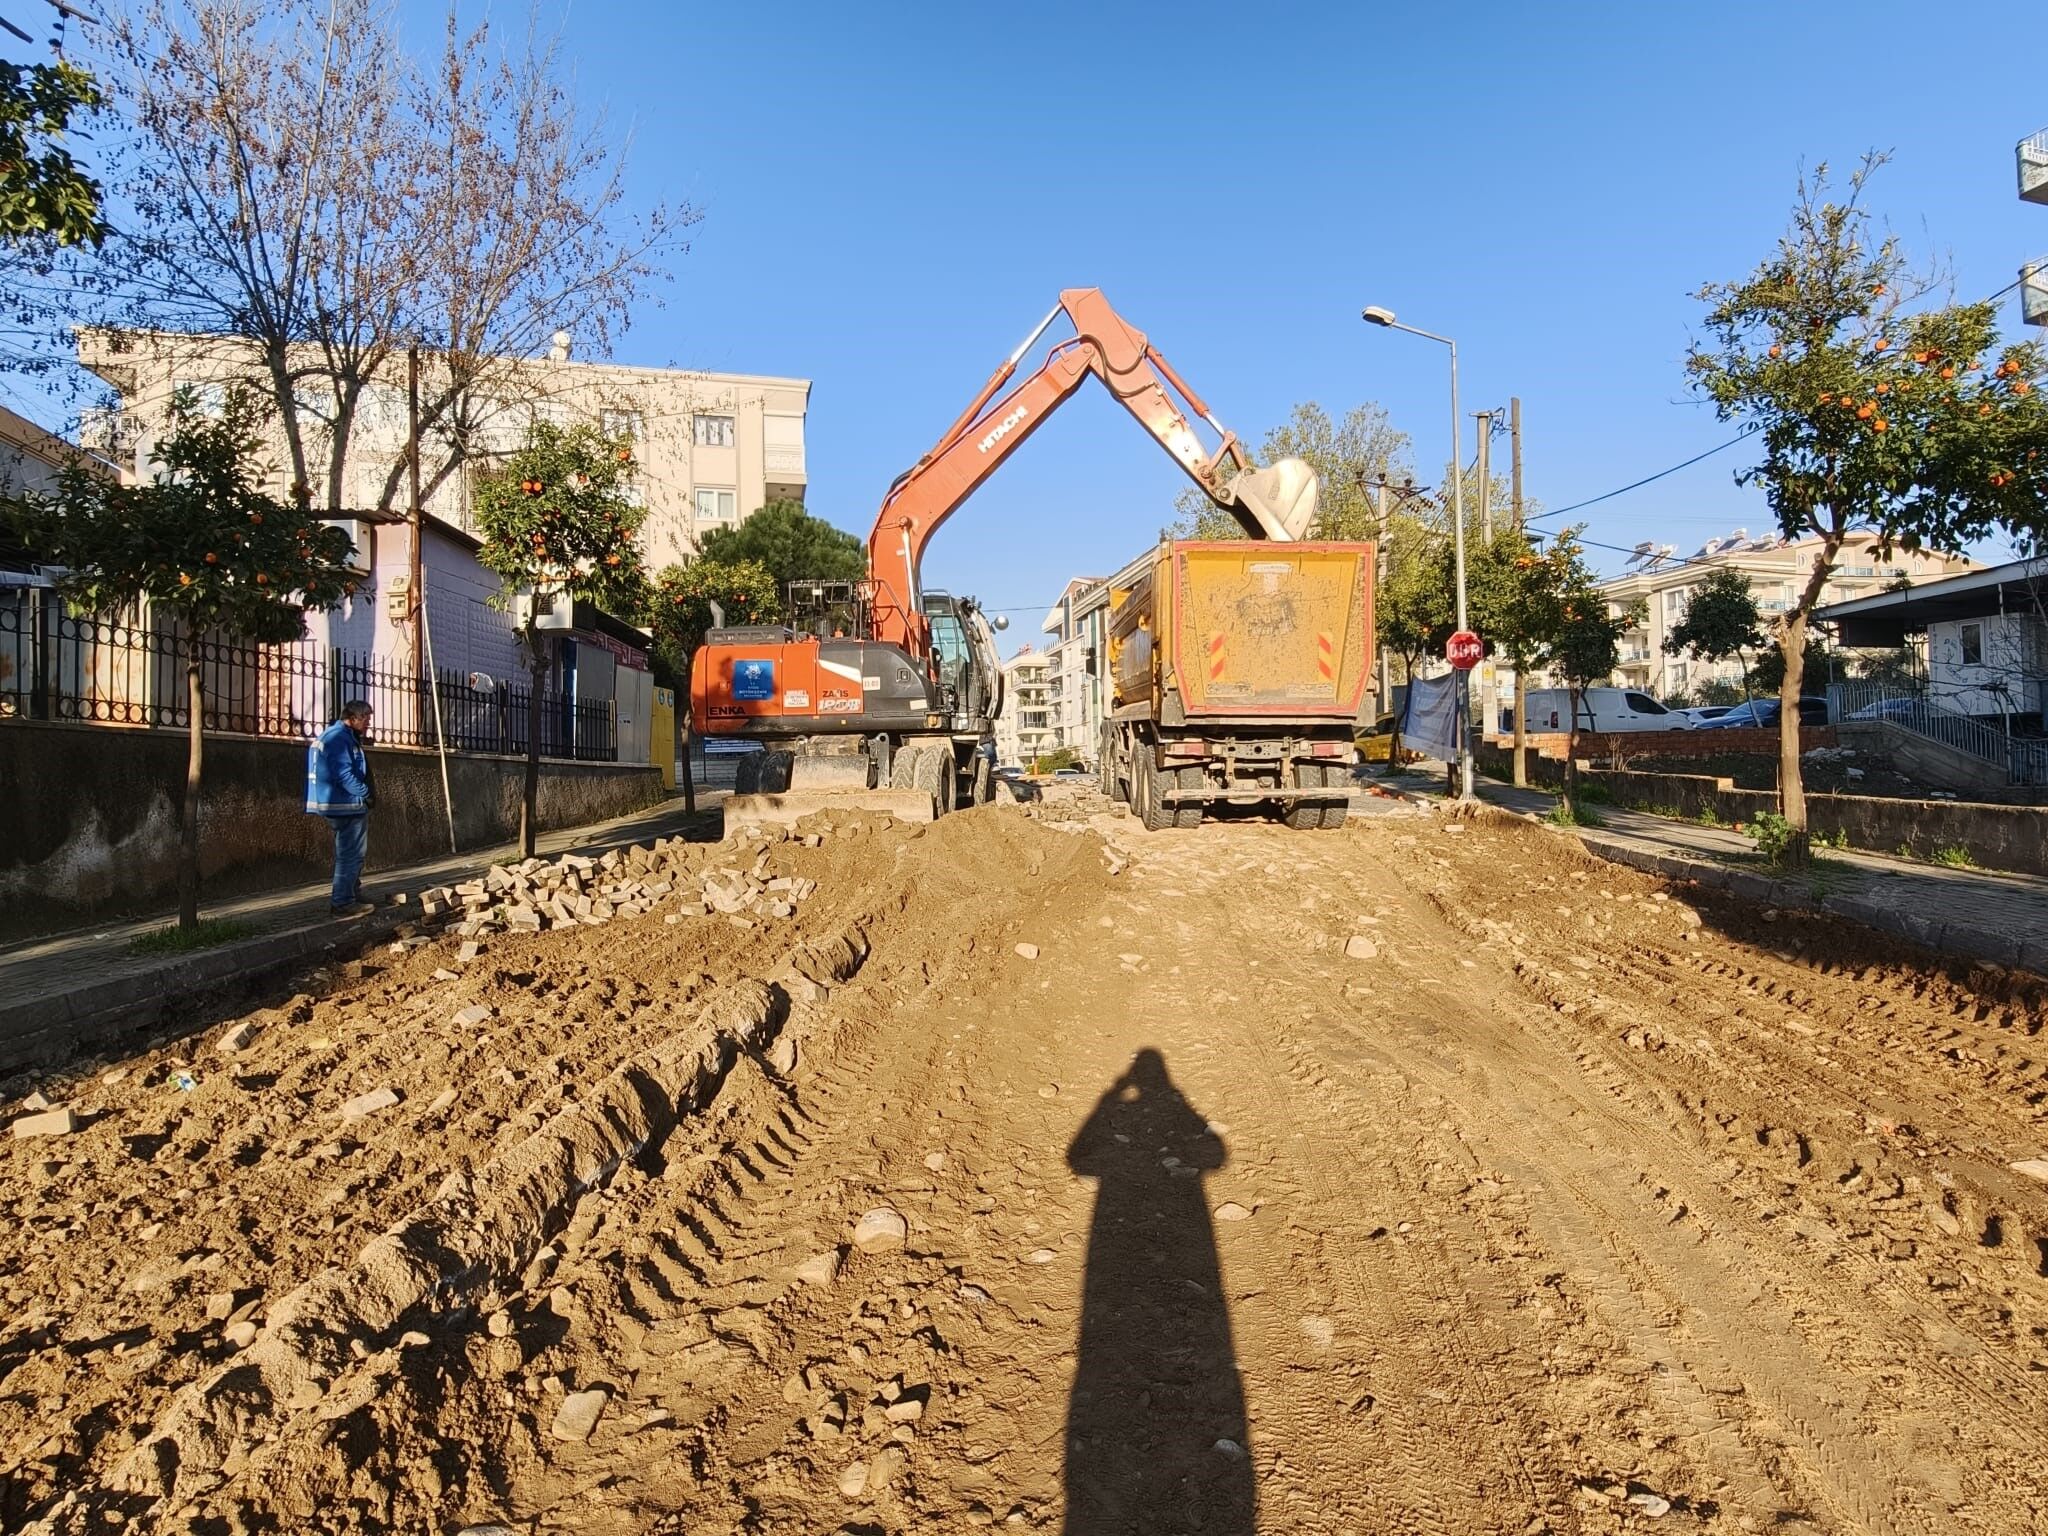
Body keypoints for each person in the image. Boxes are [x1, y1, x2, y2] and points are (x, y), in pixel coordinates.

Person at [307, 699, 376, 917]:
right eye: (365, 719)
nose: (368, 723)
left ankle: (352, 893)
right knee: (351, 854)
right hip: (345, 805)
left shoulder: (336, 736)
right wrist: (365, 793)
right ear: (353, 718)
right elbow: (344, 774)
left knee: (350, 853)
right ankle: (343, 901)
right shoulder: (339, 738)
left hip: (338, 803)